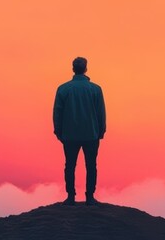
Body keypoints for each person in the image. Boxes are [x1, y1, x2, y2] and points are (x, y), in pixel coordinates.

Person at [53, 57, 106, 206]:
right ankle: (90, 197)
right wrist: (101, 130)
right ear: (86, 69)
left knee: (70, 165)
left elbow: (57, 111)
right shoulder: (95, 89)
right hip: (91, 133)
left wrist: (58, 131)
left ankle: (71, 197)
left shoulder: (63, 89)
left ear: (73, 69)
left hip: (69, 134)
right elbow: (101, 112)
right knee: (91, 165)